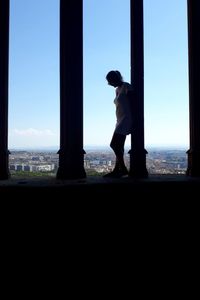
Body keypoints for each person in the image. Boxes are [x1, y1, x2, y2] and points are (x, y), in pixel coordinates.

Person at [103, 70, 134, 178]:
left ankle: (123, 169)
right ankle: (117, 170)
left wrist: (134, 122)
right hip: (120, 120)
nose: (109, 84)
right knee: (119, 145)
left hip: (126, 119)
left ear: (115, 78)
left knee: (114, 144)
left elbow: (134, 104)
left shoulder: (127, 86)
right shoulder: (117, 90)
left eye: (110, 81)